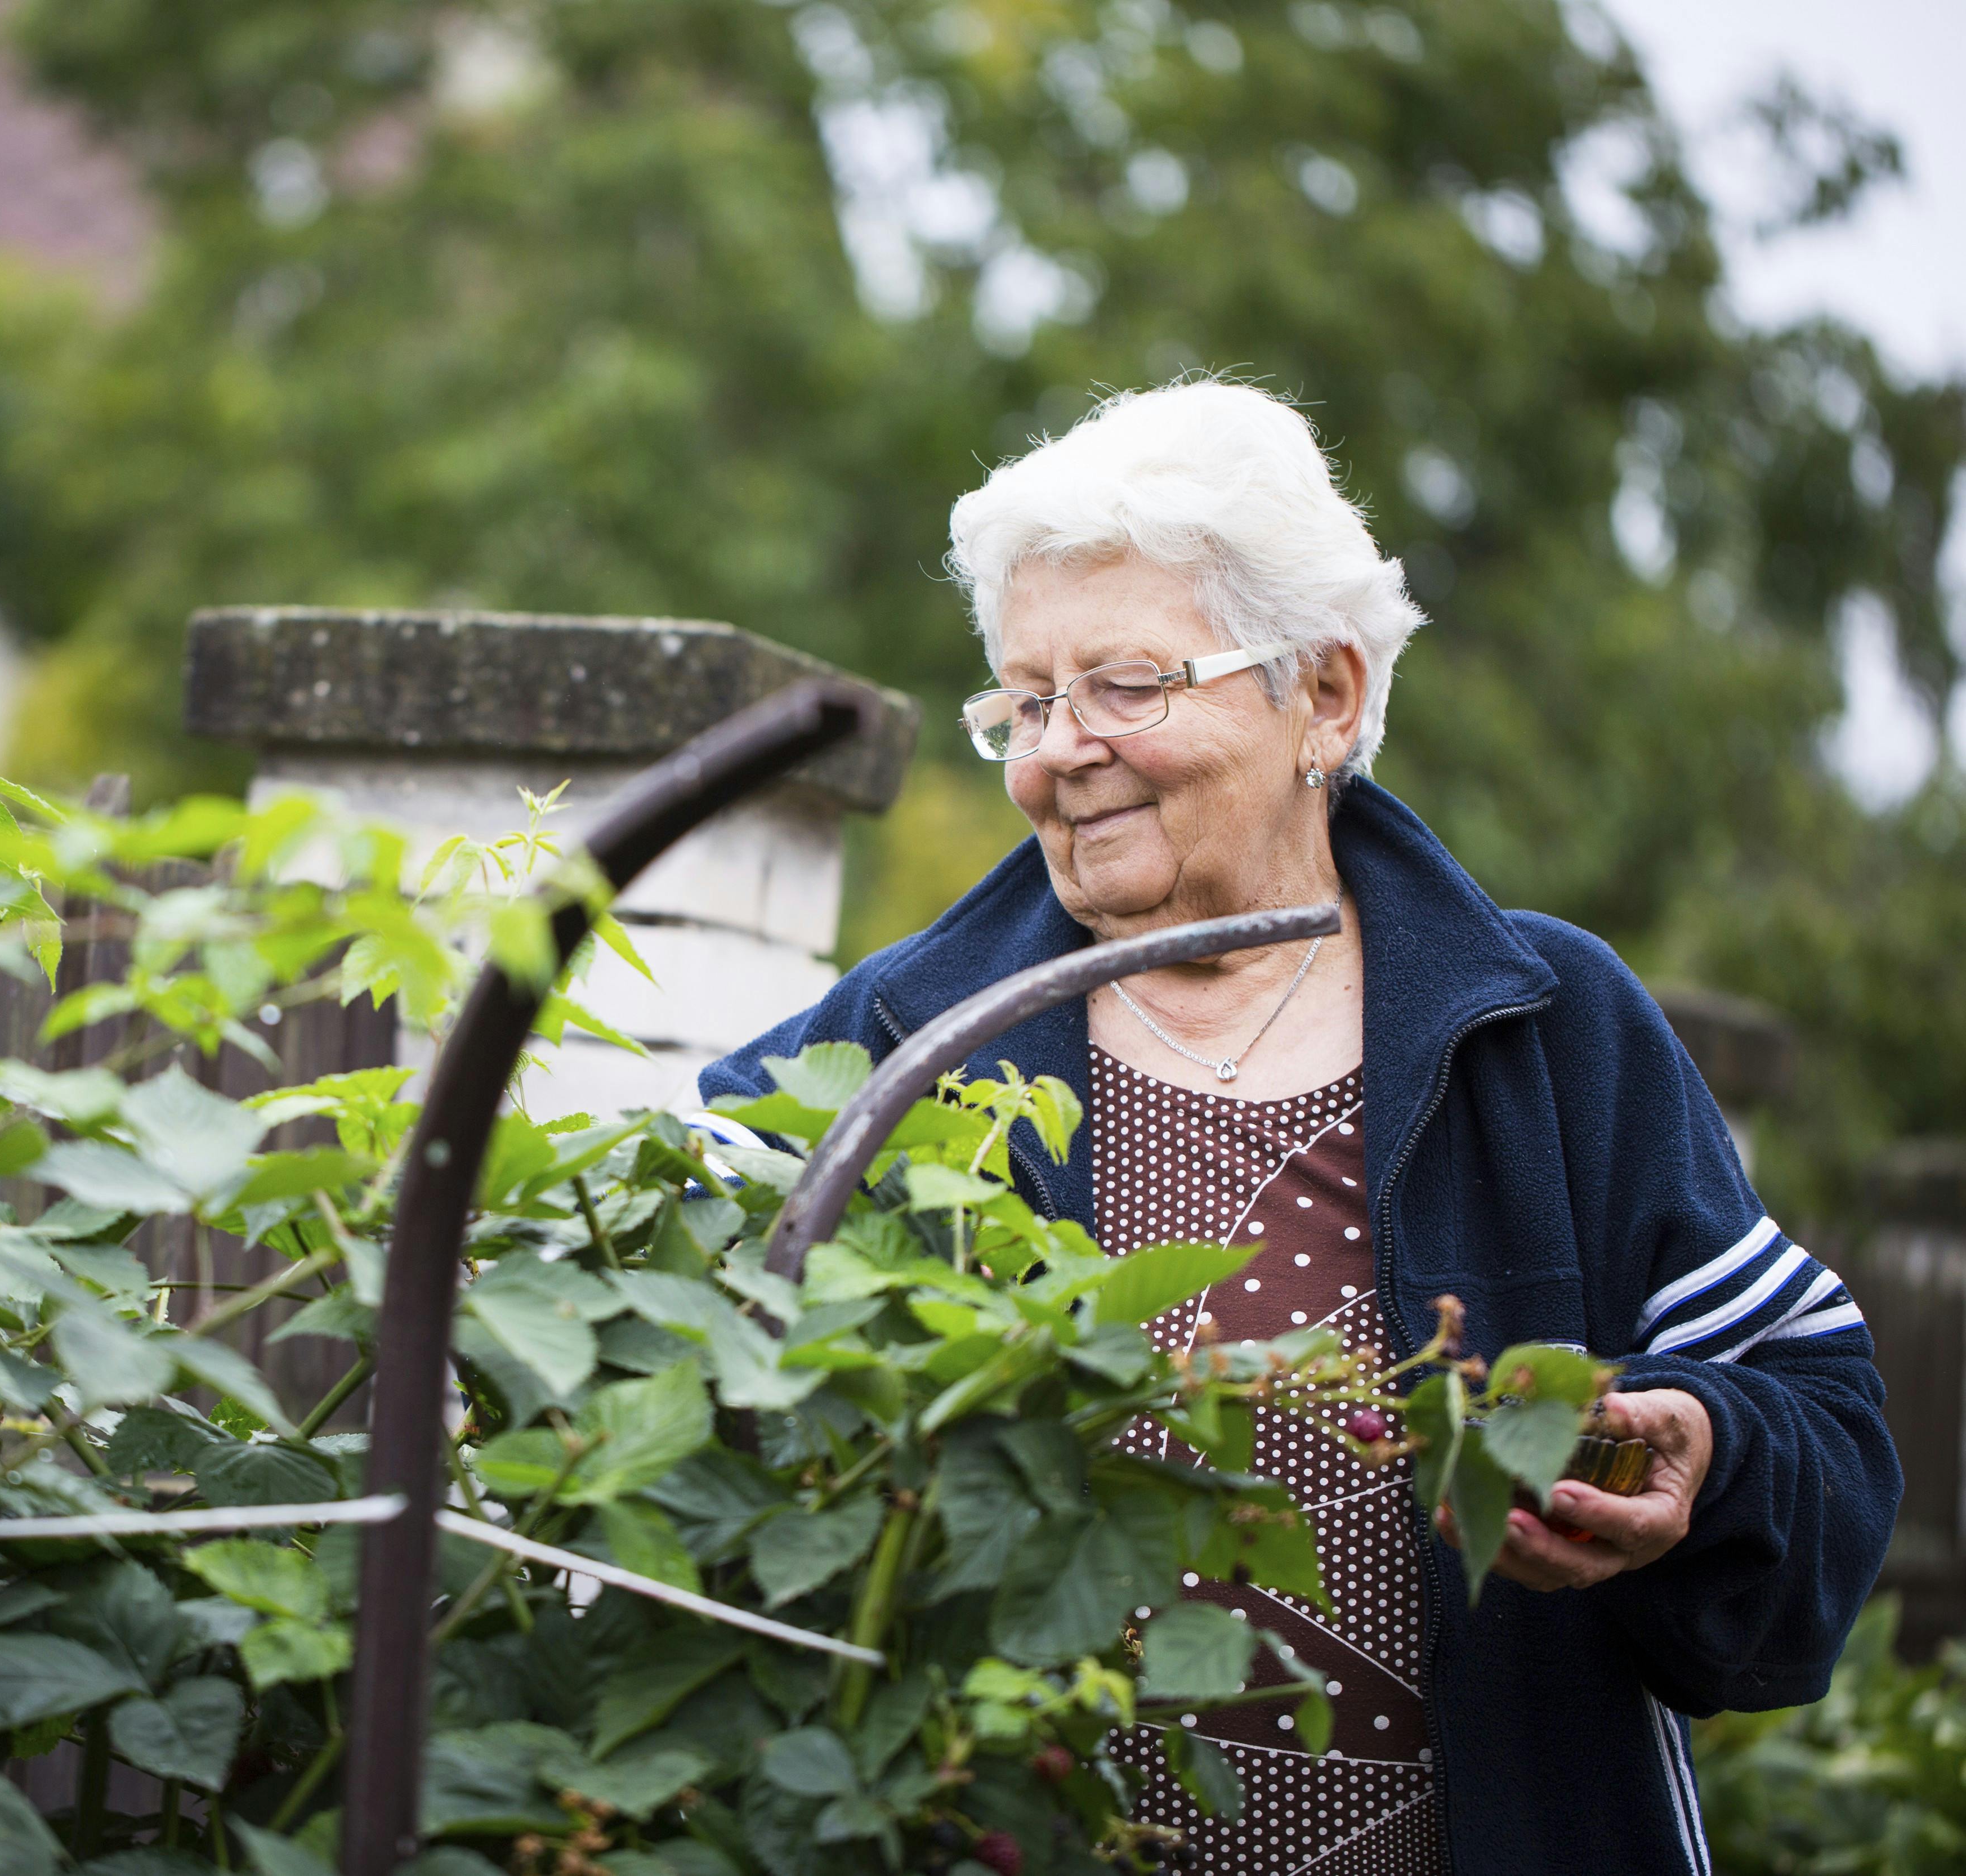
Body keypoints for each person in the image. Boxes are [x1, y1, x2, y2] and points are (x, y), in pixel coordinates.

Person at [699, 380, 1898, 1875]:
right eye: (1024, 698)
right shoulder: (907, 1036)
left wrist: (1706, 1442)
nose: (1060, 748)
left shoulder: (1545, 1030)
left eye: (1127, 684)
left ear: (1324, 695)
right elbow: (670, 1289)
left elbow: (1827, 1417)